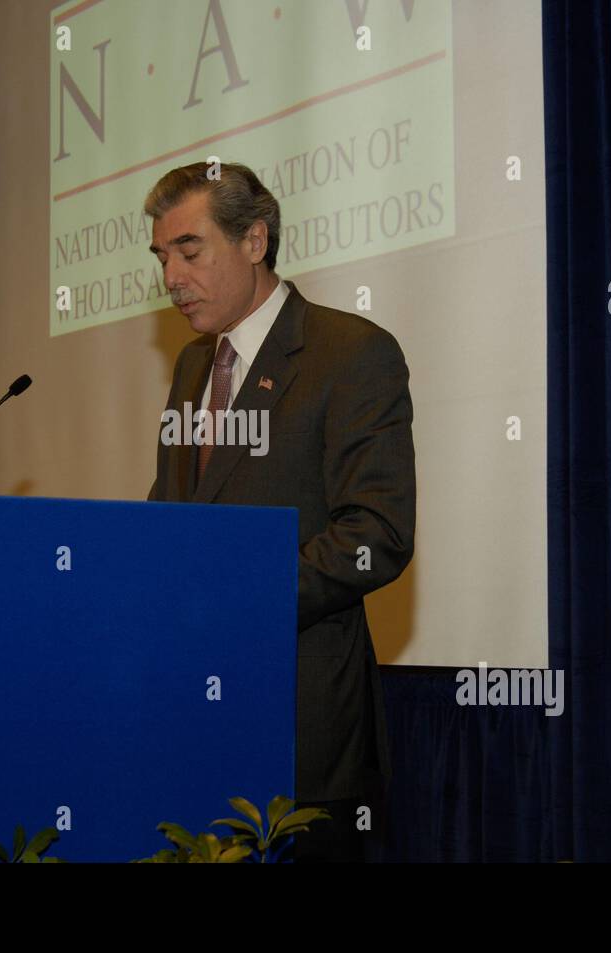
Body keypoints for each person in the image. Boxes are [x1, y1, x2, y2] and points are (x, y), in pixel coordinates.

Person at [144, 162, 417, 862]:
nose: (171, 276)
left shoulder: (351, 354)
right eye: (162, 257)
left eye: (189, 250)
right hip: (192, 719)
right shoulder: (190, 369)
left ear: (256, 239)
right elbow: (172, 517)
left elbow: (377, 533)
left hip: (301, 728)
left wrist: (236, 598)